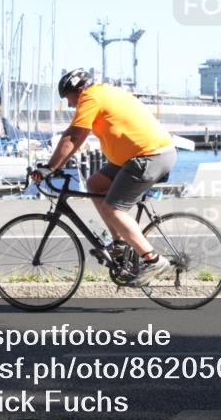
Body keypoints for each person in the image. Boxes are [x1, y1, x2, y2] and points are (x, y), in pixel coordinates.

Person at [32, 68, 177, 286]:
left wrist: (50, 168)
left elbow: (74, 136)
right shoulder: (105, 92)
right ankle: (119, 243)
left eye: (69, 99)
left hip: (149, 156)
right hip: (141, 155)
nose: (71, 105)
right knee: (95, 184)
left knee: (112, 209)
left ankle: (152, 259)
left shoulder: (91, 97)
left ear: (79, 90)